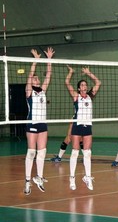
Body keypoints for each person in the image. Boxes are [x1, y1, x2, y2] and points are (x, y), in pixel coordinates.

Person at [24, 47, 55, 195]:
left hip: (42, 124)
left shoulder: (42, 90)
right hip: (32, 124)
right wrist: (35, 61)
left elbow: (49, 75)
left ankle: (39, 177)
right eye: (35, 79)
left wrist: (49, 60)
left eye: (37, 78)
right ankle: (27, 181)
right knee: (31, 152)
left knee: (42, 153)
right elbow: (30, 75)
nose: (37, 79)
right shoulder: (29, 92)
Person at [65, 65, 101, 191]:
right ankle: (72, 177)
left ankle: (88, 177)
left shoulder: (90, 96)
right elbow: (66, 82)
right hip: (77, 125)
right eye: (82, 85)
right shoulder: (76, 96)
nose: (85, 87)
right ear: (79, 88)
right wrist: (70, 72)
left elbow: (98, 82)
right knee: (75, 153)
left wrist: (88, 73)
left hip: (88, 126)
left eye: (86, 85)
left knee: (87, 153)